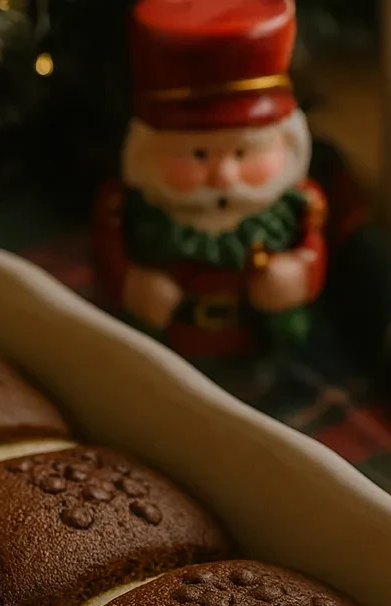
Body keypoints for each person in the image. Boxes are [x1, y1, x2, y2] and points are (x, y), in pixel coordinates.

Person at [94, 0, 327, 358]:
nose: (223, 176)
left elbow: (311, 246)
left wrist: (297, 274)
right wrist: (132, 282)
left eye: (243, 153)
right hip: (166, 349)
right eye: (198, 155)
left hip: (258, 341)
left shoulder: (300, 203)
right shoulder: (124, 207)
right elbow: (109, 252)